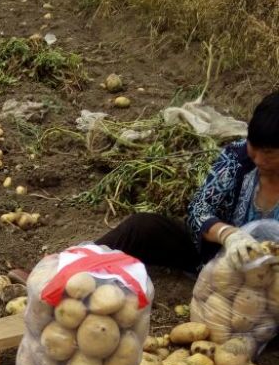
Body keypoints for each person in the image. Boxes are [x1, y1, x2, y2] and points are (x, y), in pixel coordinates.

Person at [98, 92, 279, 272]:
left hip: (267, 279)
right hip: (212, 256)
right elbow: (200, 207)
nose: (258, 159)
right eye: (253, 147)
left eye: (269, 153)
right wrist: (228, 235)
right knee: (142, 227)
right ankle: (78, 262)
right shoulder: (237, 158)